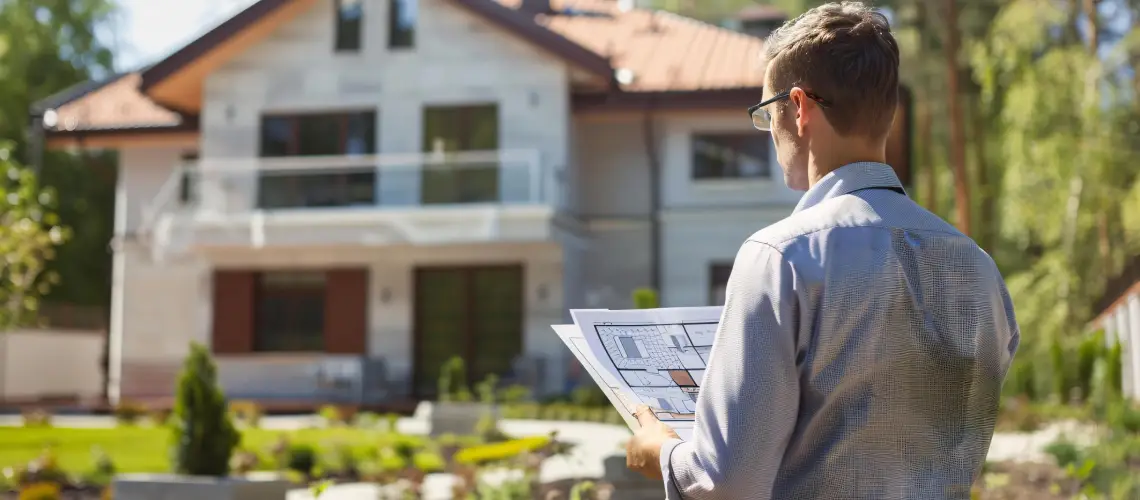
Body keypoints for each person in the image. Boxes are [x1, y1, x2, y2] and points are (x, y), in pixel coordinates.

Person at [624, 2, 1021, 499]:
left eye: (766, 114)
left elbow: (726, 483)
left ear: (798, 107)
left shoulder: (781, 258)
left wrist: (659, 452)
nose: (769, 133)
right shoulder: (980, 270)